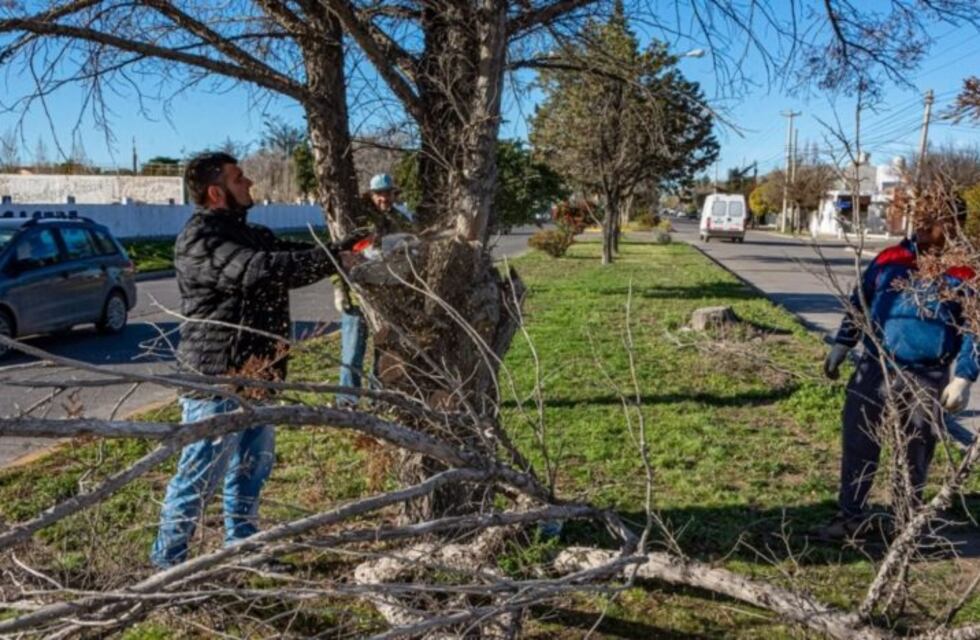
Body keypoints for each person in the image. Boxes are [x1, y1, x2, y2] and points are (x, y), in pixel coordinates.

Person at [151, 152, 352, 568]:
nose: (249, 184)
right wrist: (334, 260)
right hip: (218, 378)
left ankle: (242, 547)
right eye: (239, 179)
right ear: (215, 191)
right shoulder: (200, 240)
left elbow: (289, 255)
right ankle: (167, 567)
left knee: (251, 468)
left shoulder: (251, 233)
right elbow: (258, 270)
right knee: (199, 475)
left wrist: (341, 250)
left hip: (260, 375)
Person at [819, 207, 978, 540]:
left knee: (915, 450)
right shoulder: (891, 257)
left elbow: (975, 327)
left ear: (953, 225)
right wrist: (843, 344)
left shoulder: (964, 271)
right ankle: (851, 517)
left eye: (933, 220)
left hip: (927, 375)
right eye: (920, 218)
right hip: (875, 366)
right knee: (859, 441)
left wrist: (963, 377)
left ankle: (904, 524)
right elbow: (860, 301)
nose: (922, 225)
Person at [333, 173, 415, 408]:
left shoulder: (401, 220)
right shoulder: (359, 220)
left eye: (388, 193)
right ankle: (347, 401)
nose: (384, 198)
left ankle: (378, 399)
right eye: (379, 194)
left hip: (387, 295)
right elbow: (337, 254)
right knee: (353, 351)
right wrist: (339, 288)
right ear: (371, 195)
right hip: (358, 295)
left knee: (384, 348)